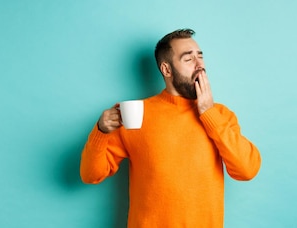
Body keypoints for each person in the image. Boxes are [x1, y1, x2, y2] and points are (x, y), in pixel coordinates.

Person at [80, 28, 261, 227]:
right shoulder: (136, 114)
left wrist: (209, 114)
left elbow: (247, 170)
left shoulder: (221, 115)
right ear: (167, 70)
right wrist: (101, 132)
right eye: (188, 59)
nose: (200, 65)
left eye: (200, 56)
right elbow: (91, 175)